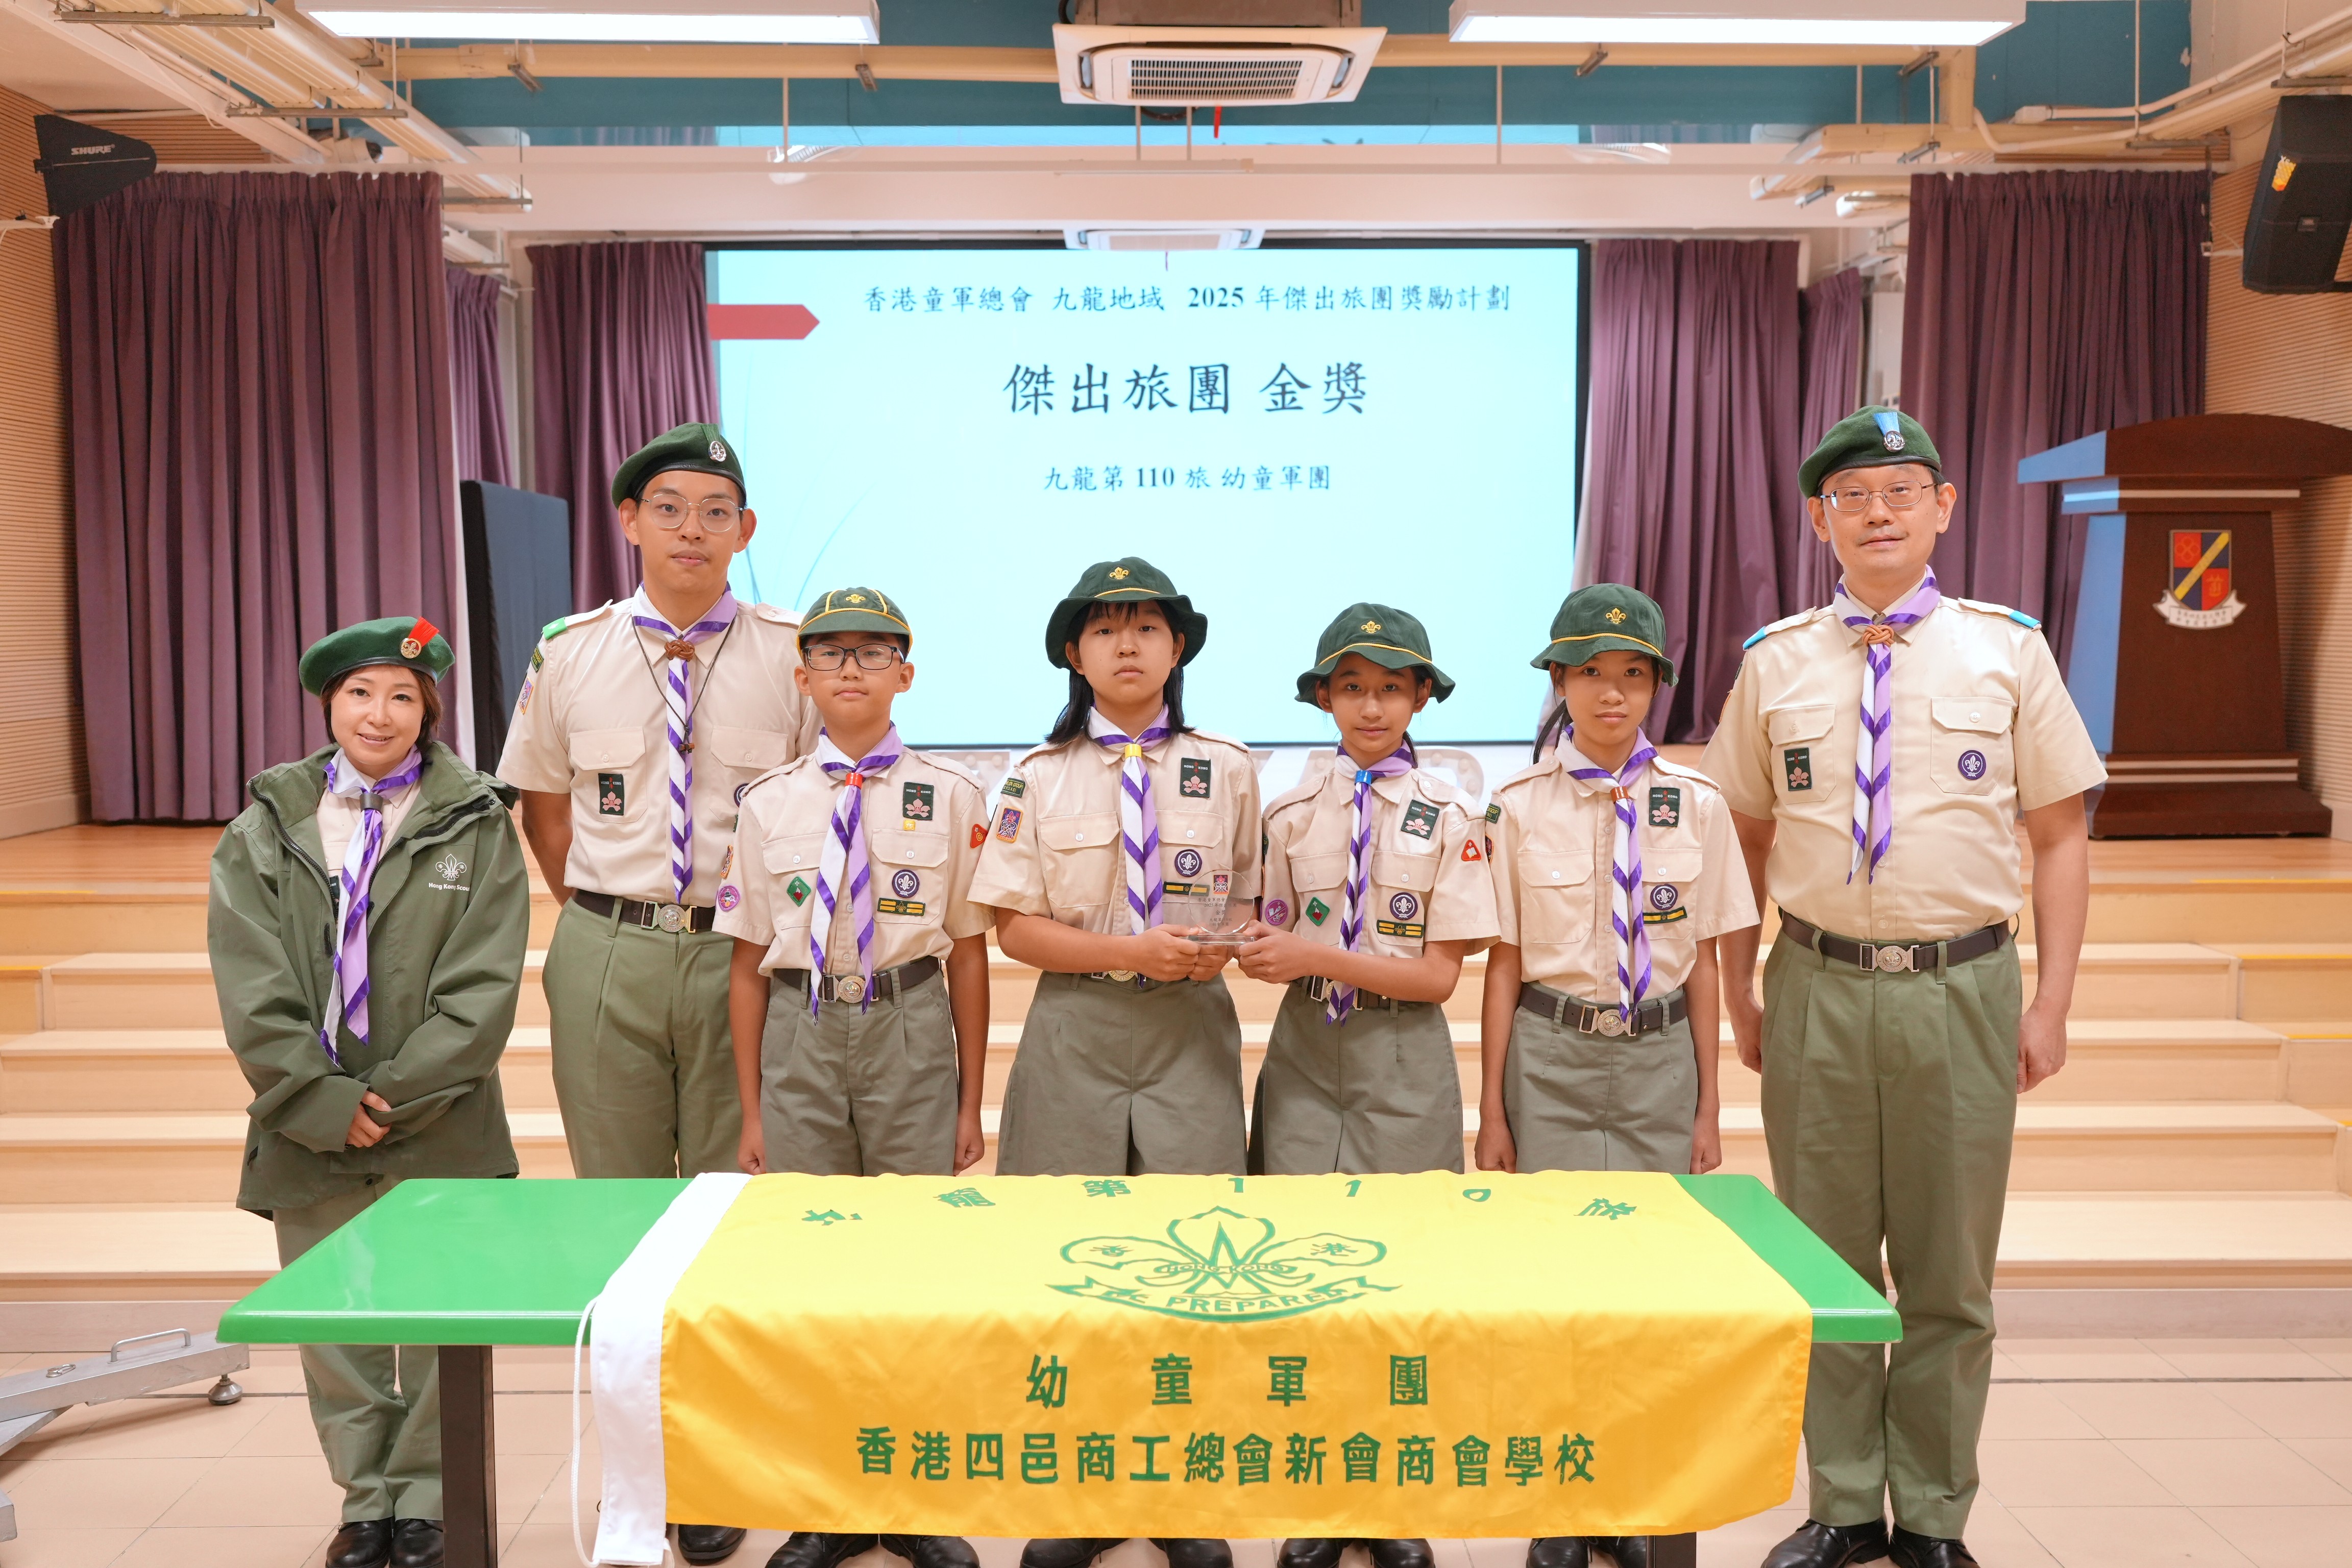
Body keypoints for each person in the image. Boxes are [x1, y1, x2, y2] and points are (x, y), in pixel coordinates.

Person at [1700, 409, 2104, 1568]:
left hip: (1960, 988)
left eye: (1901, 491)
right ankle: (1840, 1503)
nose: (1879, 513)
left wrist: (2052, 1003)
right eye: (1854, 497)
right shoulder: (1775, 660)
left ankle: (1930, 1515)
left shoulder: (2007, 651)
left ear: (1944, 507)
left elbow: (2060, 834)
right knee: (1825, 1265)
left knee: (1949, 1274)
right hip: (1817, 985)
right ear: (1819, 519)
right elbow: (1742, 837)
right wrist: (1741, 995)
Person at [499, 422, 817, 1566]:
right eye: (669, 508)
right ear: (629, 521)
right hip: (610, 952)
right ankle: (641, 1470)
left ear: (746, 530)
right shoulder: (571, 651)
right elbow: (543, 803)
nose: (693, 530)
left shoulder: (795, 652)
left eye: (716, 512)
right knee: (624, 1217)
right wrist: (606, 910)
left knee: (730, 1210)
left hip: (743, 958)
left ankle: (716, 1468)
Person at [209, 616, 528, 1568]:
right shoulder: (266, 827)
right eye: (360, 693)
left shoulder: (476, 823)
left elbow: (482, 992)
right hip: (307, 1121)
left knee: (435, 1316)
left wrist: (384, 1099)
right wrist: (319, 1101)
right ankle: (366, 1499)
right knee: (335, 1320)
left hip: (439, 1118)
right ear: (329, 703)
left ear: (429, 711)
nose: (379, 714)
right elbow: (251, 986)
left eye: (402, 696)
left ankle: (427, 1497)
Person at [967, 556, 1258, 1568]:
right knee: (1073, 1266)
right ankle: (1081, 1492)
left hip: (1190, 1032)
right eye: (1105, 629)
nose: (1127, 645)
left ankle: (1182, 1491)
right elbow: (1014, 929)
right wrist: (1131, 951)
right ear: (1074, 654)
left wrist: (1225, 943)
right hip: (1077, 1032)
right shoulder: (1035, 777)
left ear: (1178, 649)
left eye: (1147, 628)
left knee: (1193, 1267)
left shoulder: (1228, 767)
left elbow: (1249, 897)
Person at [1472, 585, 1756, 1568]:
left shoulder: (1698, 804)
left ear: (1656, 686)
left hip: (1656, 1060)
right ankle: (1560, 1507)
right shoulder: (1515, 807)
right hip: (1551, 1056)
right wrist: (1492, 1109)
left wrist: (1709, 1103)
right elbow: (1505, 965)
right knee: (1557, 1289)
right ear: (1558, 681)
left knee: (1647, 1290)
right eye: (1591, 673)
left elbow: (1705, 964)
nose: (1612, 693)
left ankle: (1633, 1500)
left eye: (1633, 674)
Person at [714, 585, 991, 1568]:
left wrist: (969, 1100)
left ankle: (913, 1502)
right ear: (802, 677)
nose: (850, 670)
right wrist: (753, 1109)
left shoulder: (953, 796)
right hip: (802, 1031)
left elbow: (968, 954)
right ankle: (826, 1502)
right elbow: (746, 967)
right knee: (816, 1272)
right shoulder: (769, 802)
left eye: (873, 654)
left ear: (904, 675)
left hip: (908, 1025)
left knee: (912, 1270)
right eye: (830, 654)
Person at [1237, 602, 1496, 1568]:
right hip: (1306, 1052)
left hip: (1402, 1055)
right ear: (1323, 698)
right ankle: (1319, 1497)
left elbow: (1437, 977)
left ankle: (1391, 1503)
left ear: (1421, 696)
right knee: (1304, 1280)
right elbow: (1272, 933)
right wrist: (1254, 948)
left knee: (1397, 1282)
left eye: (1391, 688)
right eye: (1351, 688)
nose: (1372, 706)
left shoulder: (1453, 815)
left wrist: (1315, 954)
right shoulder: (1288, 816)